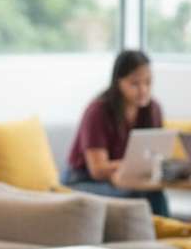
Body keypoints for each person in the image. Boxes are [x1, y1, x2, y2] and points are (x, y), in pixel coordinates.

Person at [63, 49, 169, 216]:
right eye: (135, 83)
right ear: (118, 81)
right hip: (82, 180)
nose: (143, 90)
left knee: (156, 194)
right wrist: (133, 166)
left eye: (148, 83)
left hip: (125, 179)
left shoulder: (153, 109)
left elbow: (157, 154)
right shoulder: (98, 111)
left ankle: (169, 240)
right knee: (134, 195)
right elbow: (97, 170)